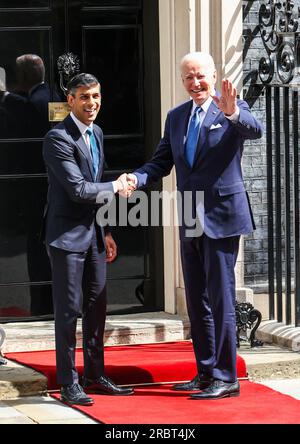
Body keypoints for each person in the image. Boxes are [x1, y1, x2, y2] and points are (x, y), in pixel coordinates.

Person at [126, 52, 263, 400]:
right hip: (188, 218)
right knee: (196, 299)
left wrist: (232, 111)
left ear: (213, 75)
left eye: (200, 75)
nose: (195, 83)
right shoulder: (176, 118)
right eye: (188, 77)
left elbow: (254, 129)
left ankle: (226, 376)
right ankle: (205, 372)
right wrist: (136, 179)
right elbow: (161, 162)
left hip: (221, 218)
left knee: (221, 298)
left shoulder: (231, 109)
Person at [42, 73, 135, 406]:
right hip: (66, 238)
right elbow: (79, 189)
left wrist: (107, 230)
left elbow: (96, 190)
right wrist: (116, 186)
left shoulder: (96, 133)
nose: (92, 103)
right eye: (84, 97)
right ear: (70, 100)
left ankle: (96, 375)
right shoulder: (58, 138)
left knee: (97, 309)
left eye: (96, 96)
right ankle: (69, 383)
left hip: (94, 236)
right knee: (68, 312)